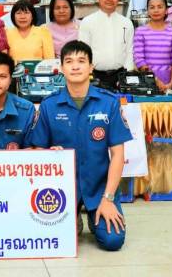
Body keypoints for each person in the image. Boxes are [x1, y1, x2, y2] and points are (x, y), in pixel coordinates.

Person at [27, 40, 131, 251]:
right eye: (69, 61)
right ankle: (74, 218)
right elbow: (37, 150)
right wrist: (48, 154)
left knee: (112, 241)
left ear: (91, 67)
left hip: (99, 186)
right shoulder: (48, 105)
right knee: (53, 240)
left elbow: (118, 155)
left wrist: (108, 199)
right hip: (61, 188)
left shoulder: (109, 103)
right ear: (61, 68)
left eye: (81, 61)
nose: (75, 66)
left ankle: (96, 215)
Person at [79, 0, 134, 89]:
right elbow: (83, 51)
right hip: (95, 76)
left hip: (121, 76)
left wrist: (127, 75)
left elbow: (129, 50)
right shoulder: (87, 21)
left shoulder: (127, 22)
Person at [133, 0, 172, 91]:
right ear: (147, 11)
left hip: (170, 85)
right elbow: (139, 60)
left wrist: (171, 83)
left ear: (166, 10)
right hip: (147, 84)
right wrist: (155, 80)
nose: (156, 10)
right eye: (152, 7)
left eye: (160, 7)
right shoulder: (140, 31)